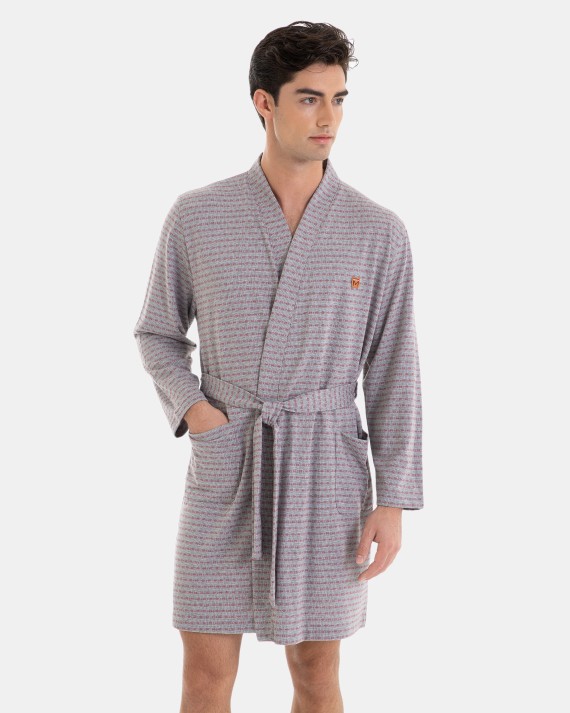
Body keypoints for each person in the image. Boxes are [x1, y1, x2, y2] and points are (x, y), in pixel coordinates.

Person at [133, 20, 424, 713]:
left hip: (327, 470)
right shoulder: (199, 216)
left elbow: (394, 369)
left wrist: (392, 499)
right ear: (264, 103)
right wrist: (198, 412)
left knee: (317, 670)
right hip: (228, 462)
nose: (329, 118)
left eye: (339, 99)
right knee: (205, 674)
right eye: (309, 99)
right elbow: (157, 333)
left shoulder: (377, 230)